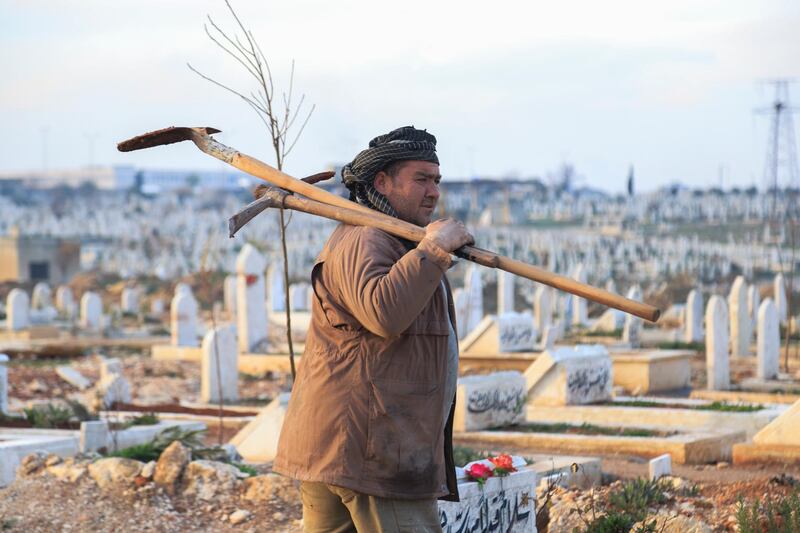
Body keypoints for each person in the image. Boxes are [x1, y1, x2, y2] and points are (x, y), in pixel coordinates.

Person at [273, 126, 474, 532]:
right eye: (421, 179)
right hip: (371, 454)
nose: (433, 192)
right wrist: (434, 249)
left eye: (436, 180)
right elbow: (384, 313)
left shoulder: (396, 240)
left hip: (355, 448)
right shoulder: (367, 239)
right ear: (381, 182)